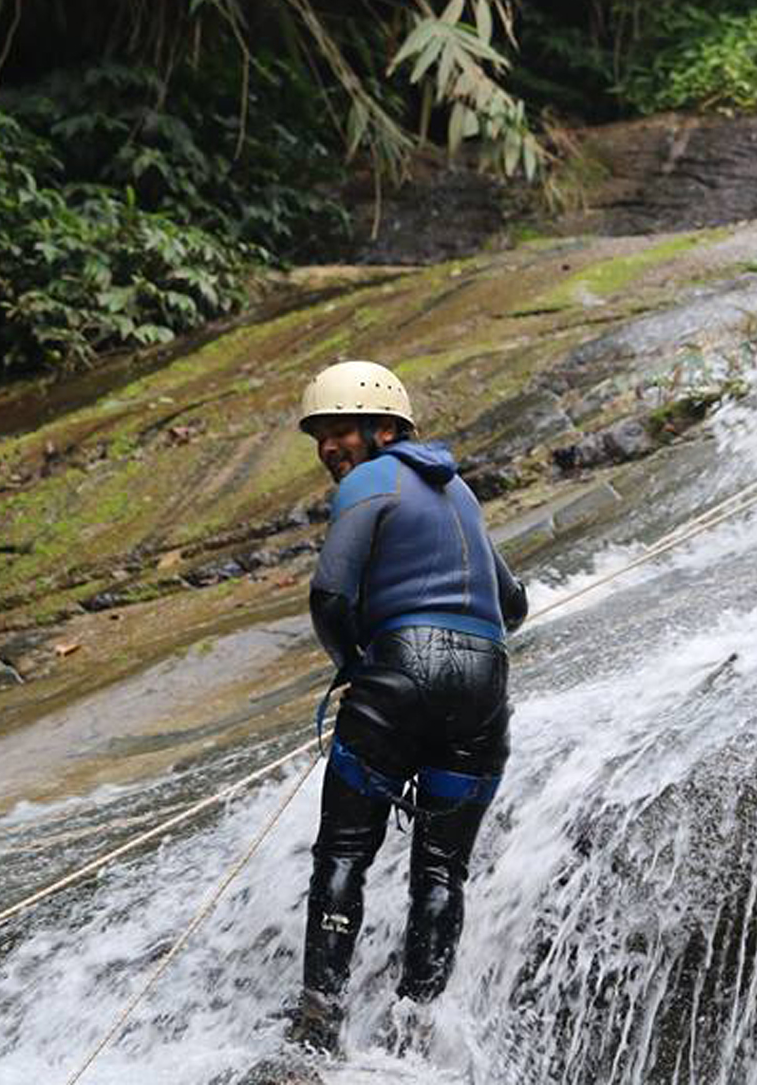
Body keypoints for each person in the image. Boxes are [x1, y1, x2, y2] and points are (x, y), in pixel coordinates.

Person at [288, 360, 528, 1055]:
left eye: (340, 433)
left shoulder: (370, 482)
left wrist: (358, 671)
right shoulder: (460, 494)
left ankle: (315, 1026)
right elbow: (512, 604)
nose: (330, 449)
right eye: (321, 438)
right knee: (441, 871)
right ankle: (413, 1034)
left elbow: (330, 597)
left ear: (383, 428)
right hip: (484, 686)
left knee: (344, 850)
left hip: (400, 674)